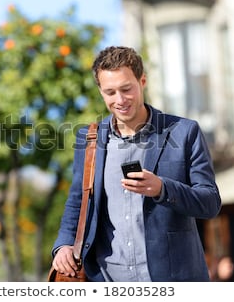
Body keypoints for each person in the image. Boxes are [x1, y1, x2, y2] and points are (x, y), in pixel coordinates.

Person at [50, 46, 221, 281]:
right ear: (100, 91)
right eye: (110, 92)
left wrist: (162, 189)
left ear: (142, 81)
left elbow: (210, 203)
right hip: (106, 279)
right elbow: (79, 200)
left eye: (126, 89)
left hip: (172, 280)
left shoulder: (184, 132)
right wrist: (64, 245)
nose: (119, 100)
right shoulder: (89, 139)